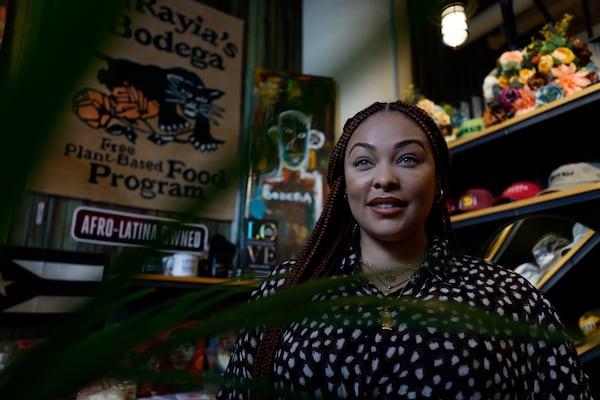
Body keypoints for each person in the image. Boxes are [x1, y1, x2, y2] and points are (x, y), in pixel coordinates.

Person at [216, 100, 594, 399]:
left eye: (408, 159)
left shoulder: (511, 300)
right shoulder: (285, 294)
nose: (384, 178)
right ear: (342, 186)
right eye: (364, 162)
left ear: (439, 180)